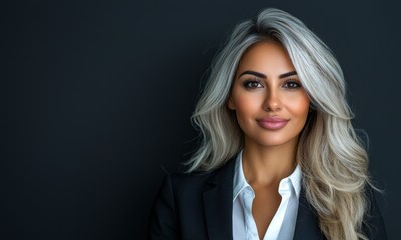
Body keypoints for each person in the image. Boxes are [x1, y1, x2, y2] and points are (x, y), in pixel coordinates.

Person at [148, 8, 387, 240]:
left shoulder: (353, 201)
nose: (273, 103)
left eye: (291, 84)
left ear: (312, 98)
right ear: (230, 97)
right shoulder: (181, 198)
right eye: (254, 84)